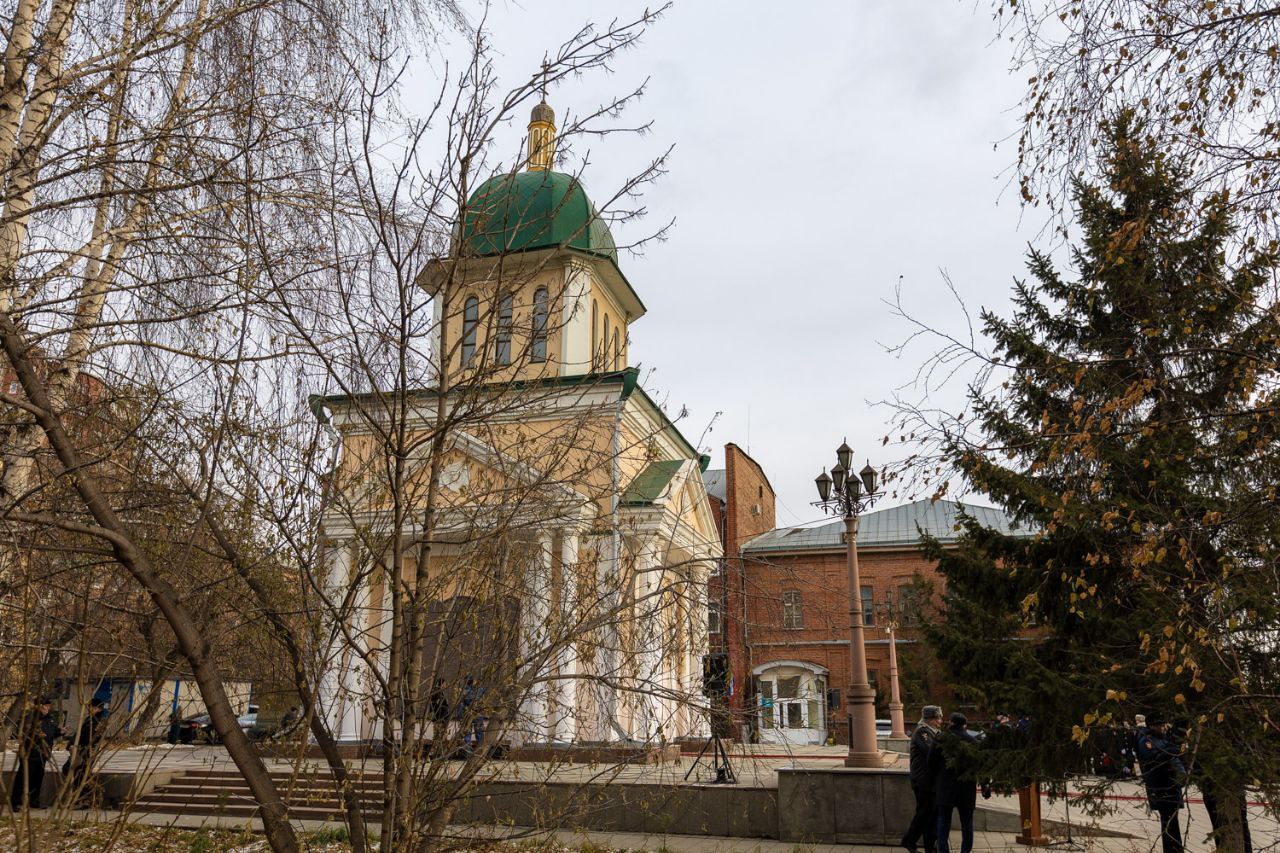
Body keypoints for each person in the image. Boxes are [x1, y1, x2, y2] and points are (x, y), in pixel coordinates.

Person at [931, 711, 987, 853]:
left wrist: (938, 777)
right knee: (967, 823)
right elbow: (982, 767)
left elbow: (930, 762)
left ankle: (943, 850)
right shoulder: (973, 742)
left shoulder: (940, 740)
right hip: (966, 788)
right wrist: (986, 787)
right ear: (965, 725)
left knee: (943, 821)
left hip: (945, 786)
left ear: (950, 723)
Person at [1136, 714, 1186, 853]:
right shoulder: (1145, 740)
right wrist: (1168, 753)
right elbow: (1153, 760)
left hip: (1171, 787)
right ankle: (1172, 850)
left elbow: (1176, 759)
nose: (1163, 728)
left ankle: (1176, 849)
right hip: (1161, 787)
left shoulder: (1164, 740)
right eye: (1160, 726)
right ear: (1152, 726)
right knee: (1168, 824)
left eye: (1163, 725)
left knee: (1173, 824)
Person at [901, 705, 943, 853]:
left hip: (930, 780)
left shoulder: (933, 732)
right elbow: (931, 751)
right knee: (924, 813)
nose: (940, 721)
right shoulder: (922, 732)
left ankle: (929, 846)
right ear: (930, 719)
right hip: (923, 780)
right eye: (938, 718)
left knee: (931, 814)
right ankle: (909, 841)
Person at [9, 696, 60, 810]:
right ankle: (15, 802)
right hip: (30, 754)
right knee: (23, 779)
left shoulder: (50, 719)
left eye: (47, 706)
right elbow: (22, 732)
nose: (46, 708)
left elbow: (53, 731)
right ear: (38, 707)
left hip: (43, 754)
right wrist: (35, 734)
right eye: (44, 706)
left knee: (38, 780)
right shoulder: (30, 718)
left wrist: (60, 732)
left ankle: (34, 801)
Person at [63, 698, 107, 803]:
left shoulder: (99, 722)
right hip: (79, 750)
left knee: (81, 774)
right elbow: (78, 734)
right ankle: (78, 797)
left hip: (86, 752)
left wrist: (78, 748)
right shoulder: (89, 719)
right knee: (69, 770)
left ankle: (85, 799)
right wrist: (71, 745)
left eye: (91, 707)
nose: (89, 708)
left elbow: (91, 738)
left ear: (98, 709)